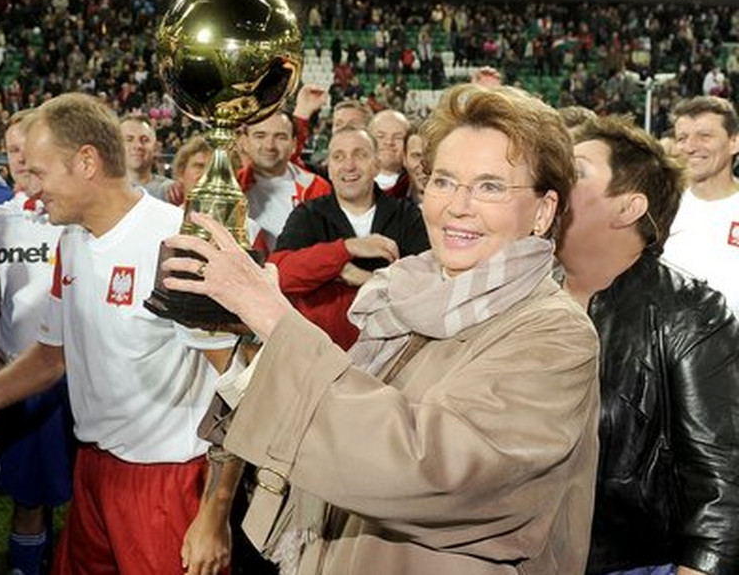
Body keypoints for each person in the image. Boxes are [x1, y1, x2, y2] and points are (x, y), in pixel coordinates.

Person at [161, 83, 600, 573]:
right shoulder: (406, 294)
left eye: (490, 186)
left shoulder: (555, 334)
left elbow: (429, 472)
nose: (458, 204)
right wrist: (260, 347)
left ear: (543, 211)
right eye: (444, 180)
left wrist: (277, 323)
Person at [0, 93, 238, 575]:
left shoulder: (178, 242)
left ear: (86, 161)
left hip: (167, 480)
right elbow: (50, 356)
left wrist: (215, 511)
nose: (32, 189)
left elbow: (238, 387)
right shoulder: (73, 238)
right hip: (93, 470)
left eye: (39, 172)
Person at [557, 114, 739, 575]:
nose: (551, 177)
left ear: (628, 208)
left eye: (574, 171)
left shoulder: (689, 313)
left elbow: (721, 485)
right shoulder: (514, 292)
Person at [0, 111, 73, 575]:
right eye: (16, 152)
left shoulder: (79, 217)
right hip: (25, 374)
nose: (25, 161)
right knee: (29, 496)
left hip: (84, 375)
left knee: (88, 493)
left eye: (35, 150)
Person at [269, 125, 430, 349]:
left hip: (391, 354)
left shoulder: (407, 216)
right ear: (329, 167)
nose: (349, 165)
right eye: (338, 156)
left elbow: (424, 286)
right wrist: (346, 250)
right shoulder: (308, 214)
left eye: (360, 155)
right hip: (319, 354)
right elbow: (279, 274)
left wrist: (364, 279)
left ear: (376, 165)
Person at [661, 96, 739, 314]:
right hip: (672, 343)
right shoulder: (663, 206)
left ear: (734, 142)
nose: (691, 147)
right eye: (682, 138)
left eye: (704, 136)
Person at [237, 112, 331, 255]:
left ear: (293, 144)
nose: (269, 146)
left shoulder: (317, 188)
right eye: (260, 136)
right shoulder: (231, 186)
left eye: (280, 137)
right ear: (244, 142)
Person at [121, 114, 176, 202]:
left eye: (145, 140)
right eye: (129, 139)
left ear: (155, 147)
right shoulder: (103, 192)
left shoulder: (171, 192)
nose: (138, 145)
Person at [368, 109, 412, 198]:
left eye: (398, 137)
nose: (389, 142)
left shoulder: (415, 187)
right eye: (381, 136)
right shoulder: (351, 182)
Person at [403, 125, 428, 204]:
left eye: (429, 156)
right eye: (416, 156)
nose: (423, 165)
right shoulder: (390, 204)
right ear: (404, 159)